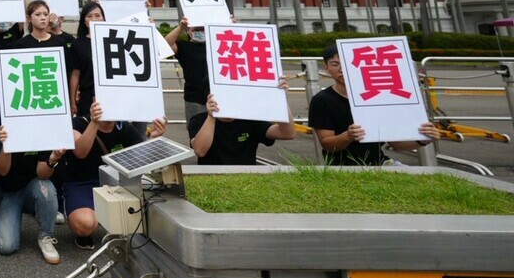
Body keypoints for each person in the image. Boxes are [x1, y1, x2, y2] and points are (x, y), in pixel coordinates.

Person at [309, 43, 439, 165]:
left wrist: (423, 140)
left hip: (381, 163)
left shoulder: (379, 98)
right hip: (341, 168)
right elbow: (327, 143)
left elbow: (395, 143)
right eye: (335, 64)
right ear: (326, 69)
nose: (343, 69)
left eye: (348, 63)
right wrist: (347, 136)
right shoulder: (321, 100)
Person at [62, 98, 166, 249]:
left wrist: (154, 138)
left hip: (112, 184)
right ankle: (89, 218)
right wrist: (94, 123)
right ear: (94, 102)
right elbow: (80, 152)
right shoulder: (79, 123)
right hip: (80, 183)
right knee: (85, 225)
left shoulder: (124, 128)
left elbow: (142, 161)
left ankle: (104, 216)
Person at [0, 125, 65, 264]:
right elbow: (2, 171)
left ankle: (46, 236)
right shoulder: (4, 129)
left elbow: (42, 174)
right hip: (6, 192)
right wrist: (6, 146)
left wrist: (52, 159)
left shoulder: (42, 129)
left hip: (32, 188)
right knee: (6, 246)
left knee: (46, 188)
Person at [187, 81, 297, 165]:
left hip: (246, 178)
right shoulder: (199, 120)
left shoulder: (250, 119)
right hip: (210, 178)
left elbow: (287, 133)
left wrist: (280, 100)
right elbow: (200, 150)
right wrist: (211, 117)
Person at [166, 16, 213, 122]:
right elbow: (167, 44)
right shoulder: (184, 46)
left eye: (202, 29)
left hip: (215, 97)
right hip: (194, 98)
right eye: (196, 29)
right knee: (196, 130)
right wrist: (181, 26)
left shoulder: (216, 45)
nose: (200, 32)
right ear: (189, 31)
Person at [69, 1, 105, 117]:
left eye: (97, 15)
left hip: (109, 94)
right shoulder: (78, 44)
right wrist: (73, 101)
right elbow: (75, 74)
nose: (94, 19)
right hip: (87, 96)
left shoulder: (112, 40)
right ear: (84, 21)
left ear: (104, 18)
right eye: (89, 16)